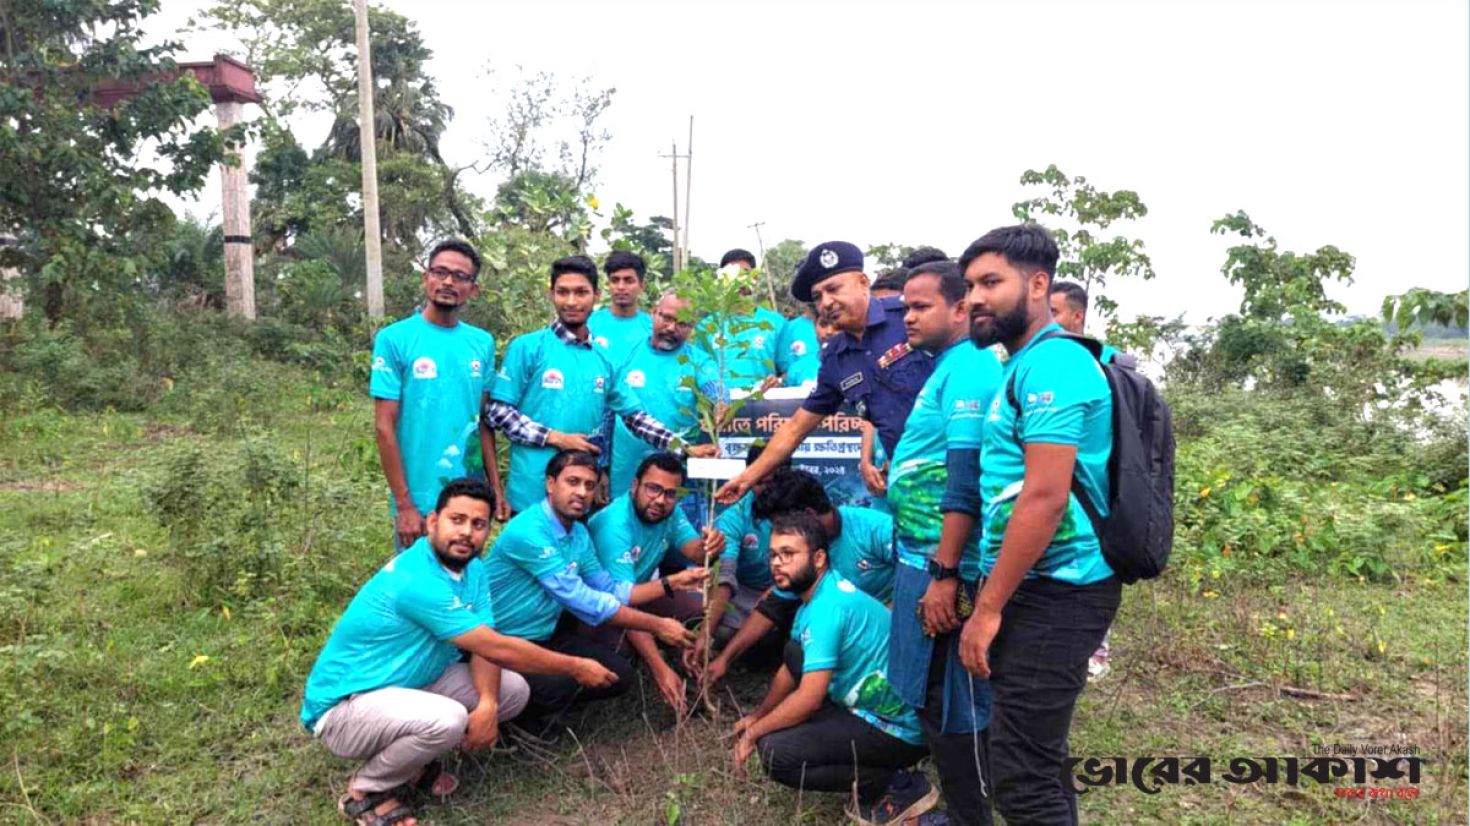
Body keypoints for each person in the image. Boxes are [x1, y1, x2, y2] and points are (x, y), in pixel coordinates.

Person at [302, 479, 619, 826]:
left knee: (511, 691)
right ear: (433, 521)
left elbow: (484, 640)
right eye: (457, 520)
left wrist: (487, 705)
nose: (467, 532)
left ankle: (412, 767)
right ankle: (365, 790)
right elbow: (496, 647)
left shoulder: (473, 570)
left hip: (406, 684)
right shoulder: (416, 580)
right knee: (448, 719)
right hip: (346, 708)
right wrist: (574, 666)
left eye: (478, 524)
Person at [957, 224, 1120, 825]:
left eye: (990, 282)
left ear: (1038, 284)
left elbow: (1045, 498)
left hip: (1062, 590)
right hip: (1038, 584)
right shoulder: (1022, 364)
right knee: (1037, 762)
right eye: (970, 285)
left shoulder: (1054, 363)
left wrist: (988, 608)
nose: (974, 297)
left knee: (1021, 780)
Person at [885, 260, 1003, 826]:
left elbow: (964, 477)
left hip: (946, 564)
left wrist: (945, 573)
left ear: (959, 309)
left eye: (919, 306)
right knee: (936, 697)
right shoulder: (947, 367)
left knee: (950, 701)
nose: (906, 317)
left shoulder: (971, 370)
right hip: (924, 557)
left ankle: (968, 813)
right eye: (904, 306)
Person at [733, 513, 936, 826]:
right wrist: (759, 716)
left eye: (788, 554)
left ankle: (894, 786)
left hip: (898, 729)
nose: (777, 563)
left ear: (818, 558)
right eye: (773, 554)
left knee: (775, 752)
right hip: (868, 707)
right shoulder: (819, 594)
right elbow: (791, 667)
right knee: (795, 653)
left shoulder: (827, 609)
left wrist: (754, 734)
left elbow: (809, 699)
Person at [485, 450, 702, 736]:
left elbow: (612, 591)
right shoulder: (529, 531)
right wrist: (658, 625)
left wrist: (669, 584)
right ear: (551, 484)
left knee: (618, 677)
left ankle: (533, 705)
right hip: (501, 641)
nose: (582, 492)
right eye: (572, 482)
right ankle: (515, 720)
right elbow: (587, 602)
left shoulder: (578, 534)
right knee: (563, 681)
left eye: (589, 485)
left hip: (546, 635)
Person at [481, 255, 715, 515]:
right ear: (551, 294)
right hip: (531, 495)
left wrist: (684, 448)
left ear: (596, 295)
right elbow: (497, 411)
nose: (571, 301)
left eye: (581, 292)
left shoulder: (604, 358)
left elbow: (636, 418)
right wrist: (555, 438)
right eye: (563, 292)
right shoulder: (528, 347)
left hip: (583, 497)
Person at [716, 241, 934, 506]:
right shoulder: (834, 358)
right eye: (818, 296)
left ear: (863, 282)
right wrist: (747, 477)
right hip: (908, 484)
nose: (826, 302)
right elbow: (796, 427)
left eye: (833, 289)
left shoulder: (907, 315)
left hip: (954, 465)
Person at [699, 468, 897, 690]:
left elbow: (920, 574)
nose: (779, 534)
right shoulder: (800, 552)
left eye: (784, 526)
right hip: (838, 630)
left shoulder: (874, 529)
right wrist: (724, 659)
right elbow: (771, 608)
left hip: (890, 627)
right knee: (795, 650)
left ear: (809, 515)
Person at [372, 240, 508, 551]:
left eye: (460, 277)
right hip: (419, 500)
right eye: (440, 272)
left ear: (473, 289)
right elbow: (384, 427)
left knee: (464, 585)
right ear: (426, 278)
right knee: (418, 588)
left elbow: (484, 422)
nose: (448, 282)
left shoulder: (482, 342)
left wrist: (495, 488)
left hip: (471, 497)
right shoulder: (395, 339)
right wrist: (404, 504)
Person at [585, 452, 726, 713]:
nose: (660, 500)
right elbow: (621, 604)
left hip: (640, 592)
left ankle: (687, 664)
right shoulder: (615, 526)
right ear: (634, 485)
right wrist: (659, 668)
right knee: (622, 647)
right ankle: (645, 673)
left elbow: (695, 551)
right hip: (599, 609)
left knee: (696, 612)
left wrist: (711, 547)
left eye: (670, 494)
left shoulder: (670, 513)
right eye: (653, 489)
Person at [1049, 279, 1117, 682]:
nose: (1049, 320)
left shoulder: (1108, 364)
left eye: (1055, 312)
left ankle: (1096, 654)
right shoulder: (1030, 364)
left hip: (1091, 493)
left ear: (1078, 316)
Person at [606, 291, 722, 498]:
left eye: (682, 323)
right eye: (666, 318)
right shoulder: (623, 355)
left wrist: (721, 402)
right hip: (625, 472)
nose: (671, 328)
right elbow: (606, 414)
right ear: (653, 314)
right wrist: (602, 469)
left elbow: (714, 386)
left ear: (692, 327)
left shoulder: (698, 361)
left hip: (676, 476)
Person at [710, 247, 787, 393]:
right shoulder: (706, 326)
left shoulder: (776, 323)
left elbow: (790, 369)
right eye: (732, 273)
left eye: (744, 273)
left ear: (755, 279)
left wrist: (779, 381)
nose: (739, 280)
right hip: (717, 411)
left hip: (764, 411)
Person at [589, 250, 654, 366]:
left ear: (641, 285)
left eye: (628, 281)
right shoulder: (590, 324)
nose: (621, 287)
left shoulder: (652, 328)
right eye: (615, 280)